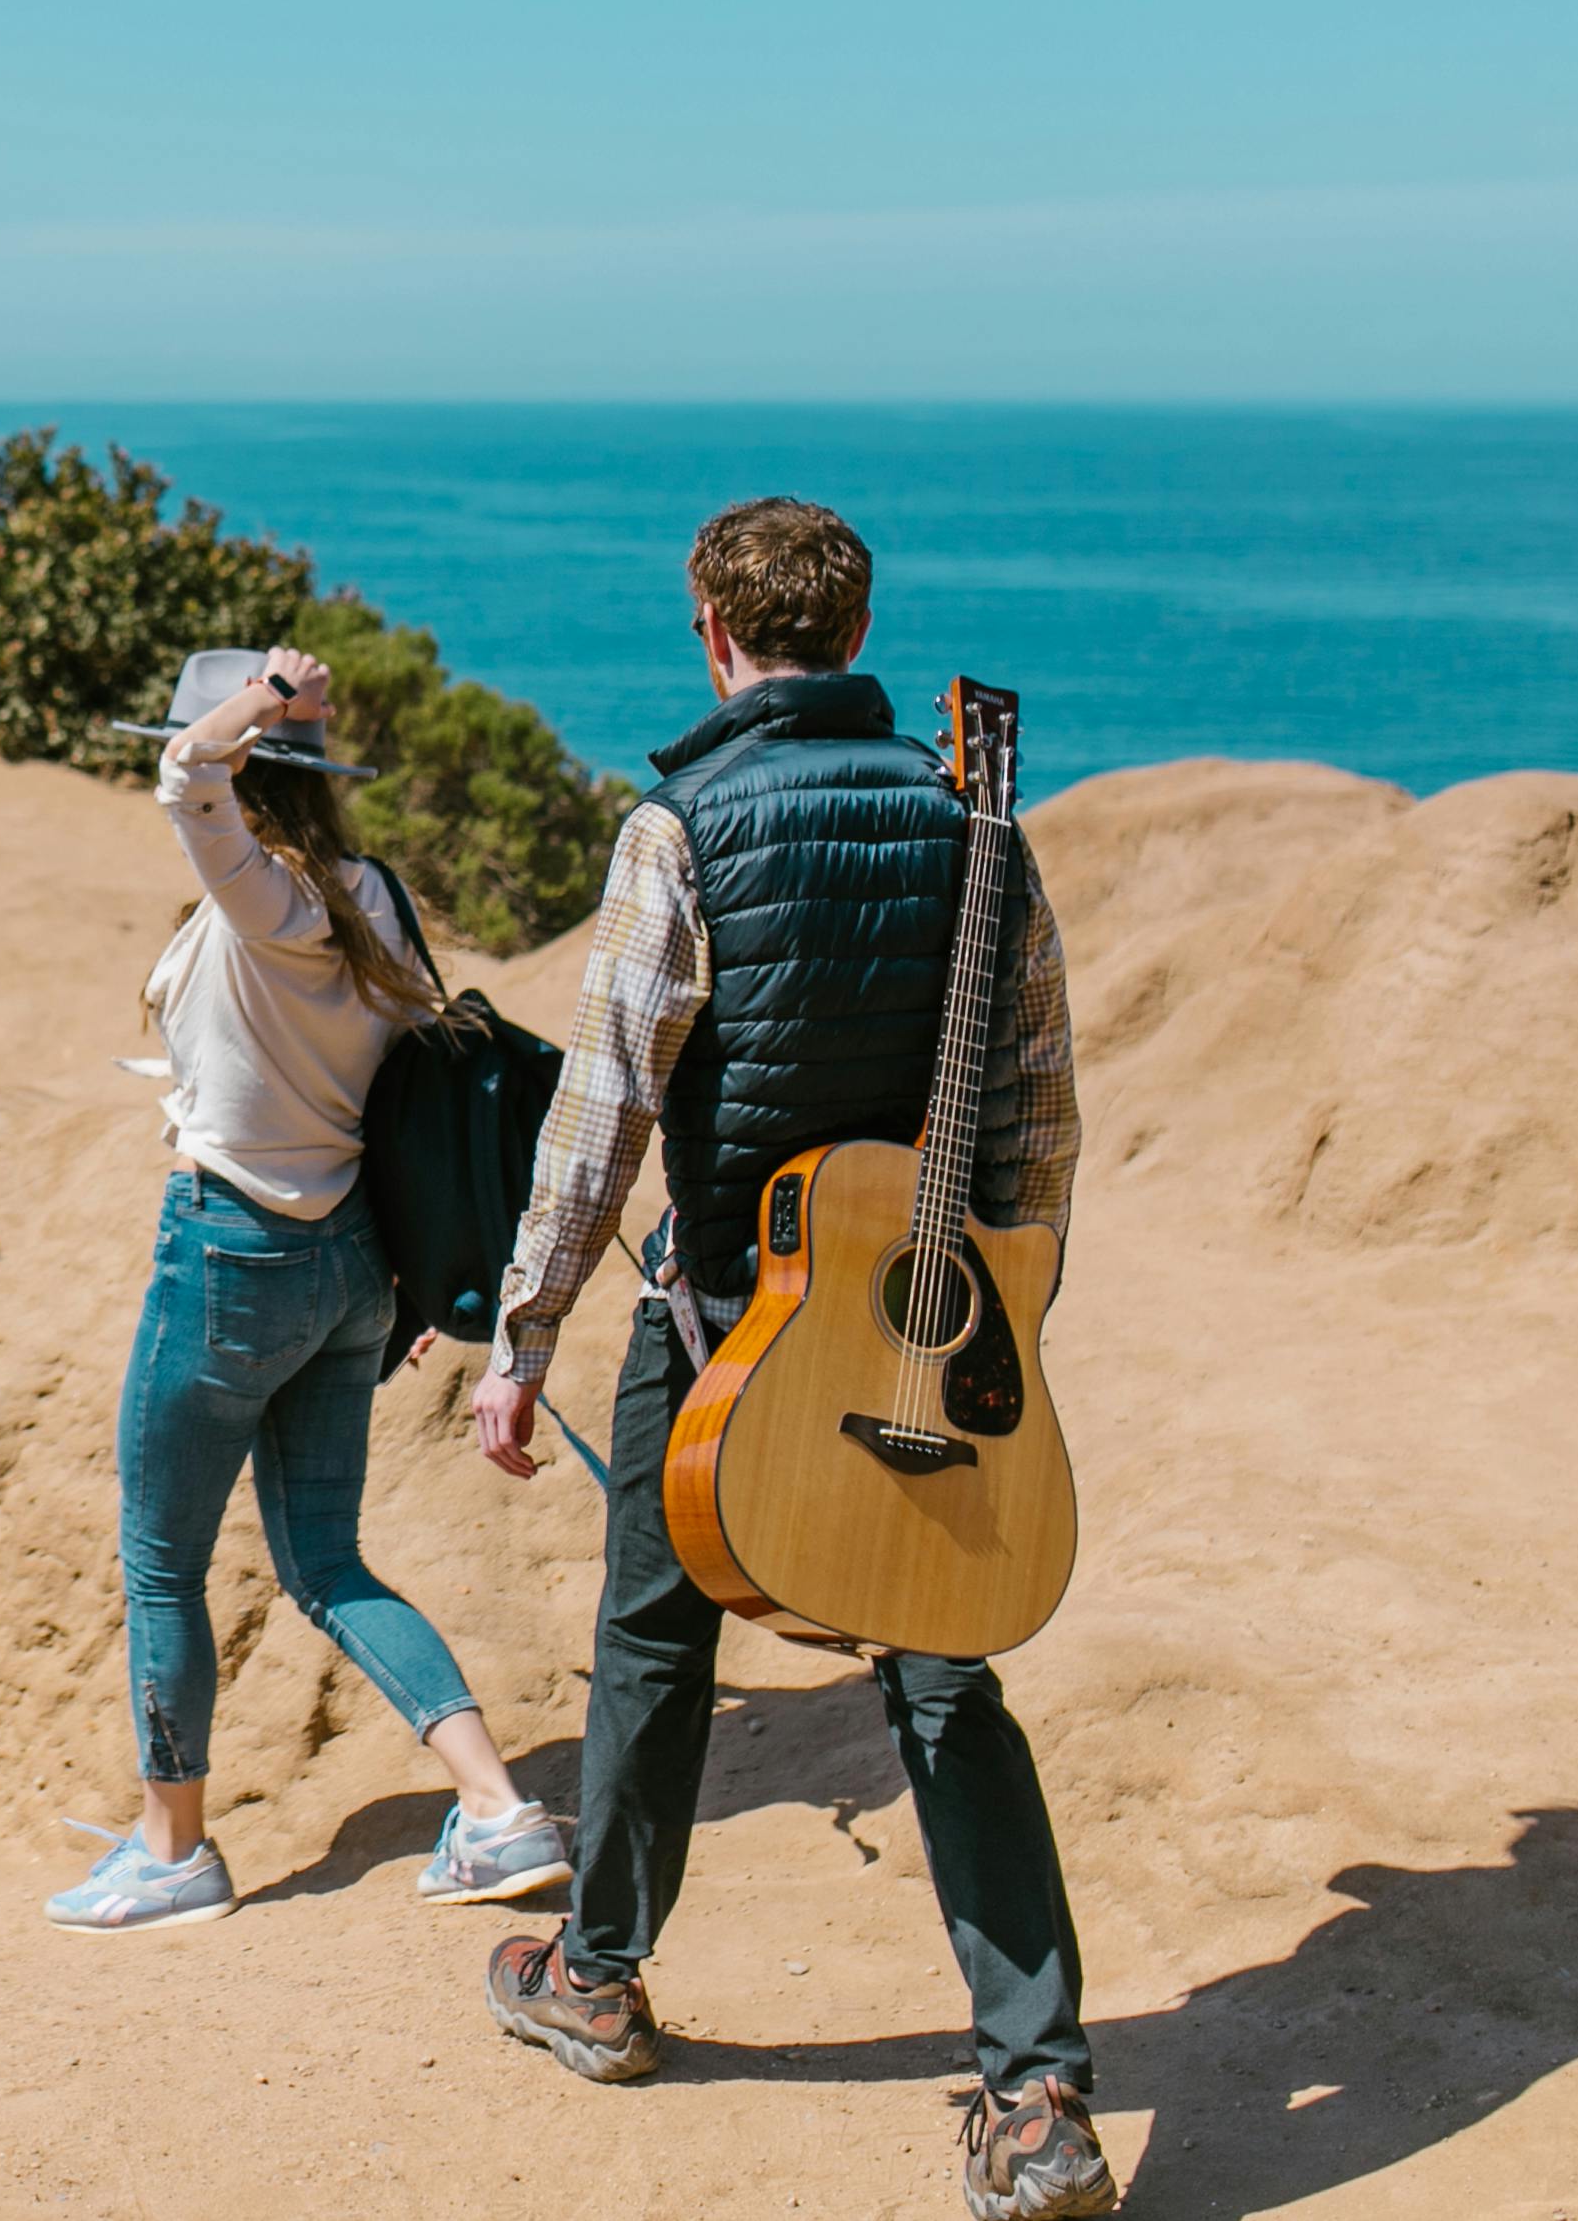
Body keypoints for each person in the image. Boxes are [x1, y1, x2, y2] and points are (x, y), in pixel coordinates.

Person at [465, 501, 1115, 2221]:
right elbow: (1034, 1108)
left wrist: (517, 1338)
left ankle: (594, 1976)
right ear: (859, 623)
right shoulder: (975, 824)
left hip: (717, 1316)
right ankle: (1035, 2090)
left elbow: (598, 1113)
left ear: (709, 628)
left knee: (652, 1635)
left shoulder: (675, 825)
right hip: (926, 1313)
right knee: (941, 1667)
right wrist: (1000, 1323)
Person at [43, 643, 572, 1935]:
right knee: (326, 1559)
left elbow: (184, 773)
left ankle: (172, 1848)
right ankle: (497, 1808)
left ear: (251, 765)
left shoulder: (264, 903)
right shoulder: (369, 901)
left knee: (160, 1562)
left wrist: (262, 700)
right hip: (348, 1263)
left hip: (231, 1251)